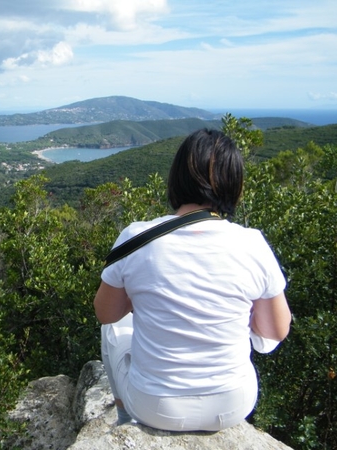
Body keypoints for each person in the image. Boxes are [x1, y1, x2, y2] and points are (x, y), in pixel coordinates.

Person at [94, 128, 291, 431]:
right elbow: (276, 330)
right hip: (233, 403)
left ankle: (125, 416)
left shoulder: (136, 237)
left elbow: (106, 313)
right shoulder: (252, 243)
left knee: (115, 329)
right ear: (234, 184)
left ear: (176, 178)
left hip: (155, 405)